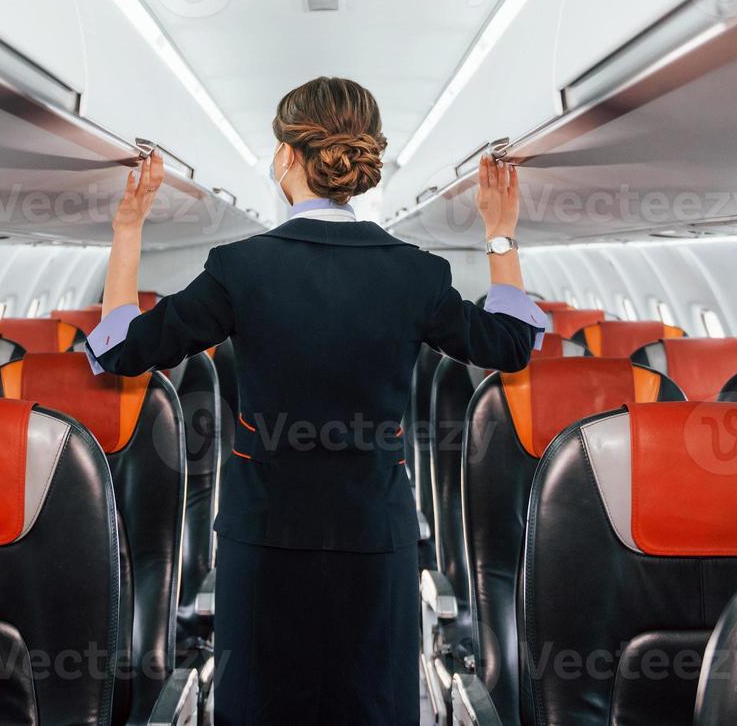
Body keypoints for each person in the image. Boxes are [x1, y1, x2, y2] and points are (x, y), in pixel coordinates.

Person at [84, 77, 546, 726]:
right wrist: (499, 233)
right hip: (374, 539)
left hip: (264, 540)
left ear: (286, 157)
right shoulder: (414, 272)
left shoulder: (240, 269)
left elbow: (123, 349)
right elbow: (511, 344)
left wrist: (127, 228)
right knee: (372, 707)